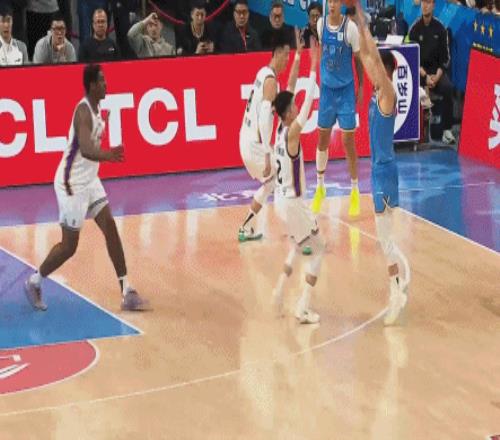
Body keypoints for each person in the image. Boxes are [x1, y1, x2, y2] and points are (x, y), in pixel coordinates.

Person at [24, 64, 149, 312]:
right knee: (69, 246)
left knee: (110, 227)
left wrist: (103, 128)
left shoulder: (97, 108)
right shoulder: (83, 111)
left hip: (90, 180)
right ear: (92, 85)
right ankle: (34, 281)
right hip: (72, 183)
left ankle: (126, 290)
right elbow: (86, 148)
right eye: (102, 81)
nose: (106, 84)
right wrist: (109, 155)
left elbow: (91, 141)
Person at [354, 1, 410, 325]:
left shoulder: (388, 93)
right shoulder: (377, 89)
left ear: (386, 71)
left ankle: (396, 290)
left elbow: (373, 57)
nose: (372, 72)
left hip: (385, 172)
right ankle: (398, 283)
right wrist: (357, 23)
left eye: (378, 70)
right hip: (379, 171)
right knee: (384, 235)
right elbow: (365, 55)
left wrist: (363, 22)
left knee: (384, 238)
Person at [271, 37, 324, 324]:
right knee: (319, 248)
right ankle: (302, 307)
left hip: (280, 200)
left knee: (296, 244)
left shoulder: (279, 128)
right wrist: (314, 65)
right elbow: (307, 106)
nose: (295, 106)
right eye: (292, 106)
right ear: (288, 112)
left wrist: (298, 56)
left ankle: (279, 290)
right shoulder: (292, 133)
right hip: (293, 202)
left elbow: (290, 88)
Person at [238, 30, 302, 242]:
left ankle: (246, 226)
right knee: (286, 177)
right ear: (277, 53)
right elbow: (265, 118)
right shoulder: (270, 82)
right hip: (256, 146)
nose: (287, 60)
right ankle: (299, 231)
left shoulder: (263, 73)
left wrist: (299, 57)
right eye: (287, 55)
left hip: (246, 140)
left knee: (272, 183)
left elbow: (290, 89)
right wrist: (267, 153)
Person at [311, 0, 364, 217]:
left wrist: (361, 86)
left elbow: (358, 60)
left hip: (346, 92)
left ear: (341, 4)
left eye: (335, 1)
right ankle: (320, 186)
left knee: (347, 141)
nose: (332, 5)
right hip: (327, 91)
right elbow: (323, 52)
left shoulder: (350, 29)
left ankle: (355, 190)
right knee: (322, 140)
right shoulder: (320, 24)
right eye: (329, 1)